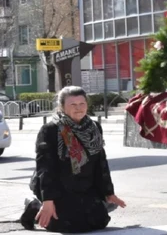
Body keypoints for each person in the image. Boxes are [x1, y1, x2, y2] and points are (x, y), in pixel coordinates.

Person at [20, 86, 126, 233]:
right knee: (67, 226)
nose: (78, 108)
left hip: (85, 185)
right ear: (62, 107)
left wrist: (108, 192)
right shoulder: (50, 129)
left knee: (99, 222)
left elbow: (100, 162)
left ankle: (97, 203)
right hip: (58, 186)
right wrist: (48, 200)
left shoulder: (94, 128)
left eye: (82, 104)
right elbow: (45, 167)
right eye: (73, 105)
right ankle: (35, 205)